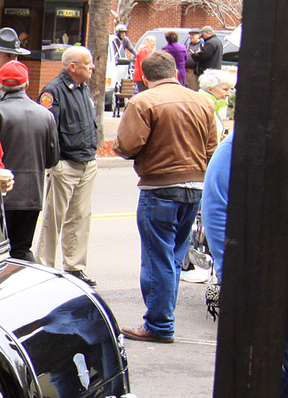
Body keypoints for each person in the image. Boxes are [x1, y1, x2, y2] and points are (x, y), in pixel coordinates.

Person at [199, 130, 288, 398]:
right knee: (264, 370)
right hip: (257, 276)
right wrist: (233, 268)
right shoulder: (242, 141)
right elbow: (218, 205)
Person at [112, 50, 219, 343]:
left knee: (157, 257)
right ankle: (162, 319)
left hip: (160, 187)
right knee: (172, 257)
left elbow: (126, 146)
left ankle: (159, 324)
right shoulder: (201, 101)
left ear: (145, 77)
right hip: (195, 187)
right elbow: (213, 147)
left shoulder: (144, 101)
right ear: (175, 71)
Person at [34, 45, 100, 286]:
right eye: (88, 62)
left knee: (80, 218)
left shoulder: (83, 88)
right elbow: (47, 130)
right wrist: (56, 162)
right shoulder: (54, 91)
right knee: (55, 218)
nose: (92, 66)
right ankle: (45, 268)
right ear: (73, 67)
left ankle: (74, 267)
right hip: (65, 164)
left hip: (86, 163)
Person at [0, 61, 60, 261]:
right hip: (32, 196)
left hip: (2, 194)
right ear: (27, 84)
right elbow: (52, 159)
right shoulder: (46, 115)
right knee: (22, 248)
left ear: (0, 86)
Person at [196, 68, 234, 139]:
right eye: (225, 89)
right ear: (210, 89)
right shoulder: (203, 107)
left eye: (230, 89)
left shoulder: (213, 105)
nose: (229, 94)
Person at [189, 26, 222, 90]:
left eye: (203, 35)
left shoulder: (210, 43)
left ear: (208, 33)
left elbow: (203, 56)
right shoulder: (218, 41)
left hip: (208, 72)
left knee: (205, 89)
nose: (202, 38)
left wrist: (194, 55)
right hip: (215, 70)